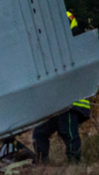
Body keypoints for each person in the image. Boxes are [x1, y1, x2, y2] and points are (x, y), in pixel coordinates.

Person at [32, 11, 91, 164]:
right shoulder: (53, 49)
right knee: (39, 132)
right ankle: (41, 163)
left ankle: (74, 165)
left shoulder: (71, 49)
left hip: (71, 101)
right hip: (57, 102)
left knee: (68, 131)